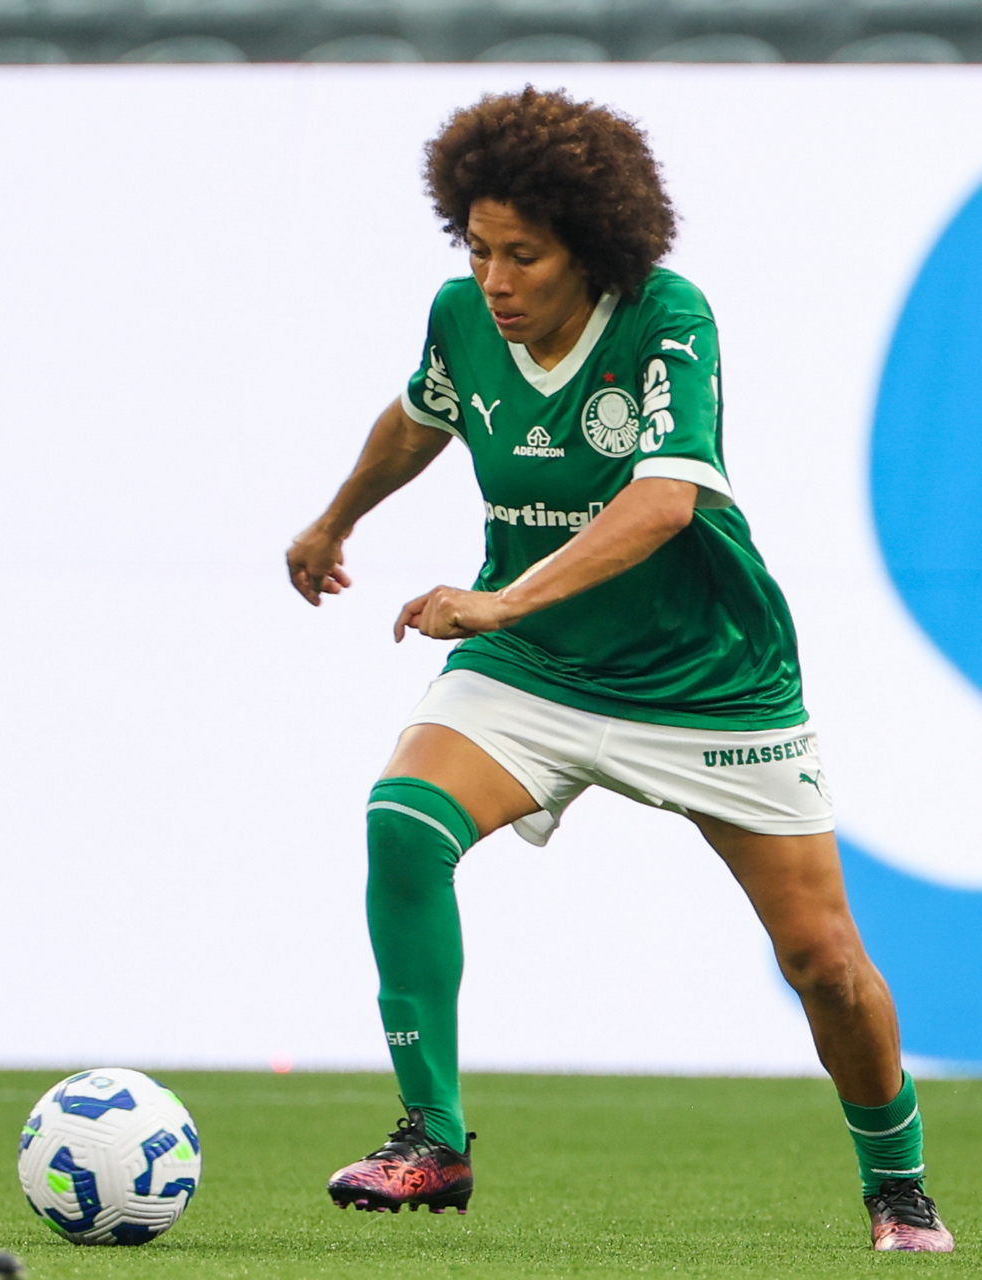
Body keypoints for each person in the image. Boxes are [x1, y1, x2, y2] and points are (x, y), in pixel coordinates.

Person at [287, 87, 952, 1252]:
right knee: (403, 821)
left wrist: (500, 595)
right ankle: (431, 1136)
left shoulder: (663, 315)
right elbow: (422, 414)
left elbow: (664, 500)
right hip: (534, 664)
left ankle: (897, 1185)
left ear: (591, 247)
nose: (494, 279)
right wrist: (334, 519)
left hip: (706, 678)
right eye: (477, 248)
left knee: (823, 960)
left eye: (523, 255)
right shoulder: (461, 316)